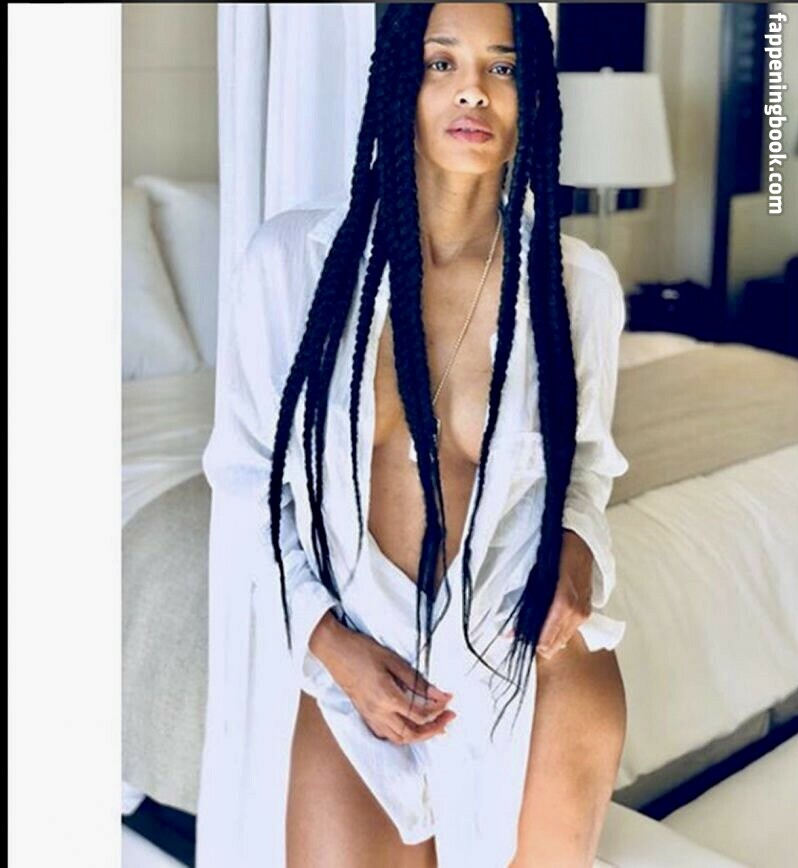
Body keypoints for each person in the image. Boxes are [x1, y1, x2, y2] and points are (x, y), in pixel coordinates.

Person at [197, 4, 630, 867]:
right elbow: (246, 484)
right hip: (366, 665)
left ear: (533, 97)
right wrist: (333, 647)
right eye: (442, 63)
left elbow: (586, 466)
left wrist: (578, 550)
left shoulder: (575, 285)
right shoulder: (293, 265)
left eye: (503, 68)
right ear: (401, 80)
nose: (474, 89)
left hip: (529, 659)